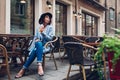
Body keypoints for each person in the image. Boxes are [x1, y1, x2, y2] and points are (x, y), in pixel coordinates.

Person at [15, 12, 54, 78]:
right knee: (38, 43)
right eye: (47, 17)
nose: (48, 19)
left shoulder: (50, 27)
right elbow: (36, 38)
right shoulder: (38, 27)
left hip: (46, 45)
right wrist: (38, 38)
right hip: (38, 44)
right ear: (43, 18)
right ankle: (39, 64)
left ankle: (23, 69)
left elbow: (50, 39)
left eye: (49, 18)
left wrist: (43, 33)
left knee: (36, 49)